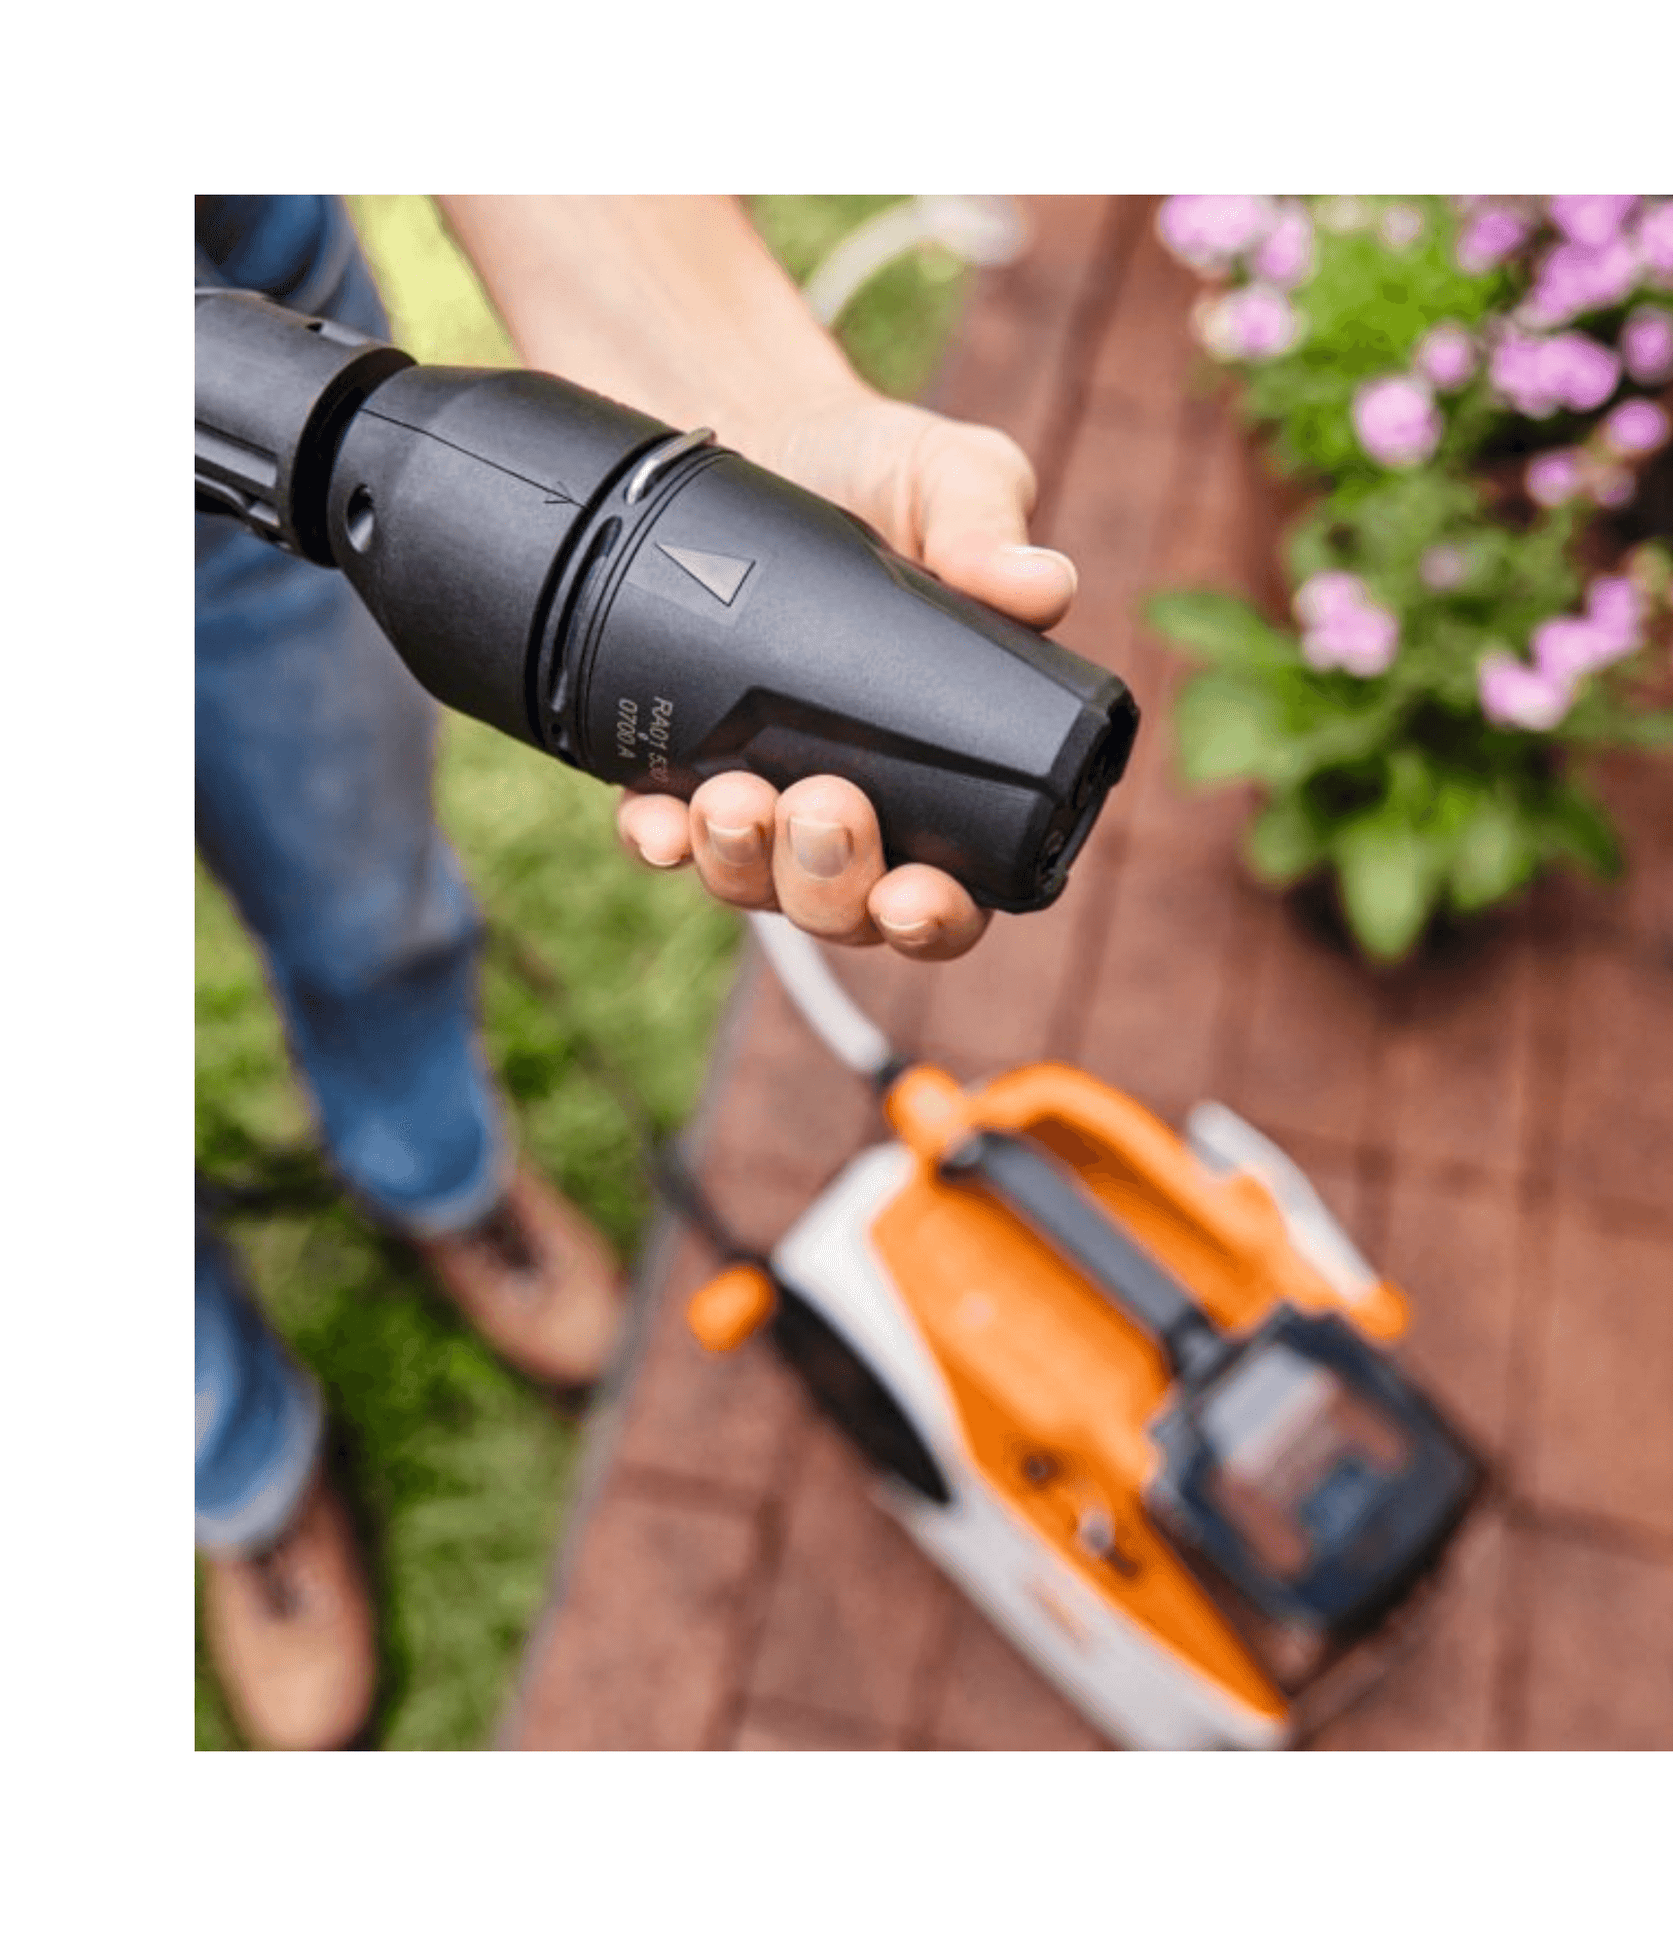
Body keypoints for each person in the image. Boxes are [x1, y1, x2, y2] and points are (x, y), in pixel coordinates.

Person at [195, 195, 1079, 1749]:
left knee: (359, 888)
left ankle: (437, 1170)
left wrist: (774, 402)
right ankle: (231, 1462)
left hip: (247, 368)